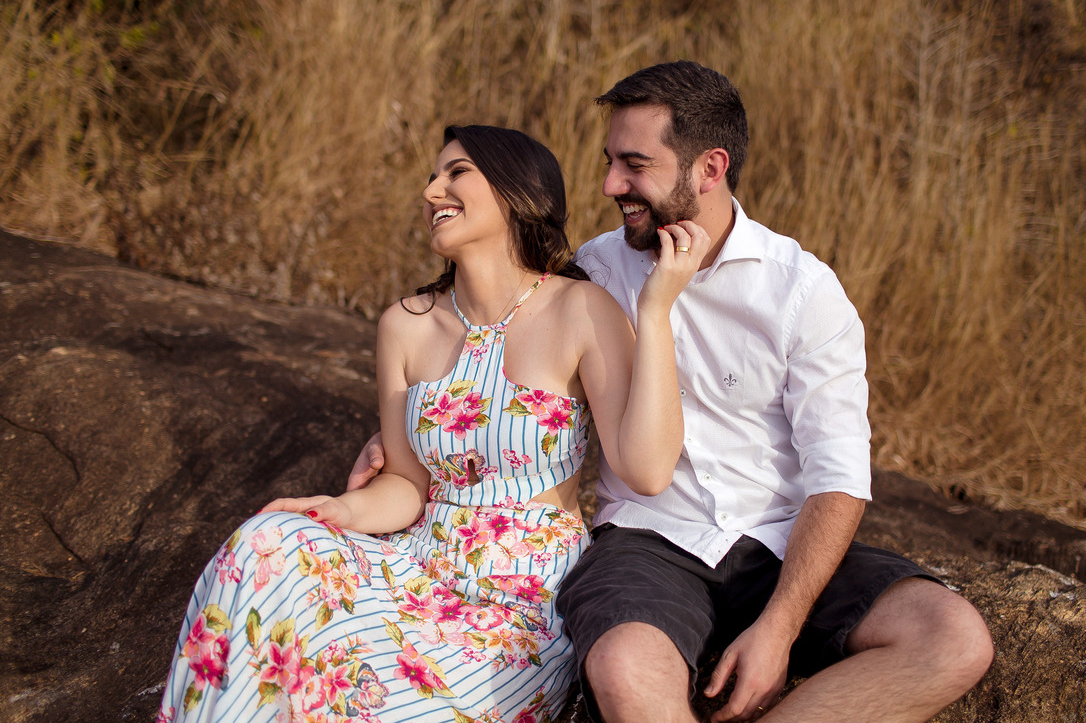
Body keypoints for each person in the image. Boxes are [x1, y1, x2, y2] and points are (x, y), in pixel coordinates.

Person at [349, 63, 995, 723]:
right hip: (644, 546)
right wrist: (414, 433)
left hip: (777, 542)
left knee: (952, 639)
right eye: (609, 162)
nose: (610, 185)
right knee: (624, 669)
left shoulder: (801, 291)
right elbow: (499, 350)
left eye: (634, 165)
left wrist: (778, 630)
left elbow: (839, 477)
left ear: (710, 168)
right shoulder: (593, 271)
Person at [157, 124, 708, 723]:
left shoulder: (581, 309)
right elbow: (406, 483)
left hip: (520, 601)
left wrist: (656, 309)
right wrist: (340, 510)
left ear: (516, 191)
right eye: (432, 177)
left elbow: (647, 470)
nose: (431, 191)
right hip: (415, 564)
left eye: (456, 173)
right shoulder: (405, 324)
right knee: (265, 542)